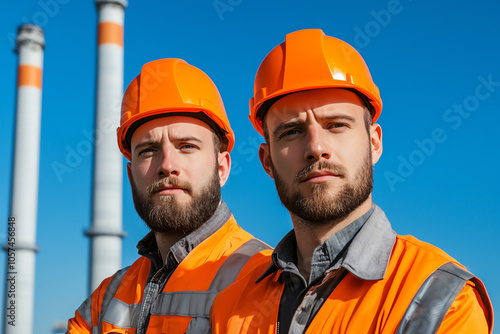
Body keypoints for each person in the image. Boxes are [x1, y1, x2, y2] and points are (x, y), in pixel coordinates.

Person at [210, 29, 493, 333]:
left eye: (336, 125)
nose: (316, 147)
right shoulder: (230, 306)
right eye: (291, 131)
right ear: (267, 160)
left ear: (374, 144)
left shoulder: (440, 299)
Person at [67, 58, 271, 334]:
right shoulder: (105, 299)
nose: (166, 165)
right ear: (131, 175)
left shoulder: (266, 280)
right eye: (148, 150)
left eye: (186, 146)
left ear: (221, 168)